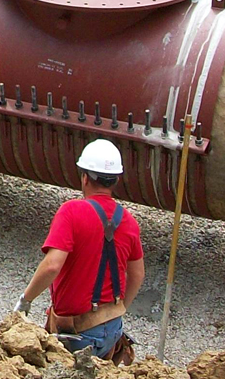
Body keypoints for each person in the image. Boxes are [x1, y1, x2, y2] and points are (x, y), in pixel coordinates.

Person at [13, 139, 145, 358]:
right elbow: (137, 274)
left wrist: (25, 300)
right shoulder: (129, 221)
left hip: (77, 335)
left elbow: (52, 266)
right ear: (116, 180)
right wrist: (116, 310)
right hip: (112, 331)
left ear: (85, 178)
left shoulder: (71, 212)